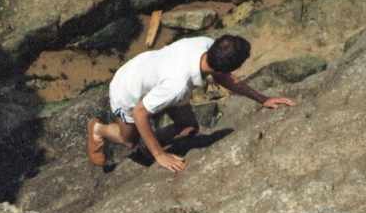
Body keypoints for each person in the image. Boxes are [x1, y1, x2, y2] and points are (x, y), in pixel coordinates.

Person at [87, 34, 296, 173]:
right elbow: (140, 112)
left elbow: (222, 77)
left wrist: (263, 99)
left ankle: (146, 150)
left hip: (156, 75)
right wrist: (160, 155)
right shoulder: (177, 86)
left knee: (189, 128)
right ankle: (98, 130)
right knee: (129, 140)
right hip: (129, 88)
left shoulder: (207, 45)